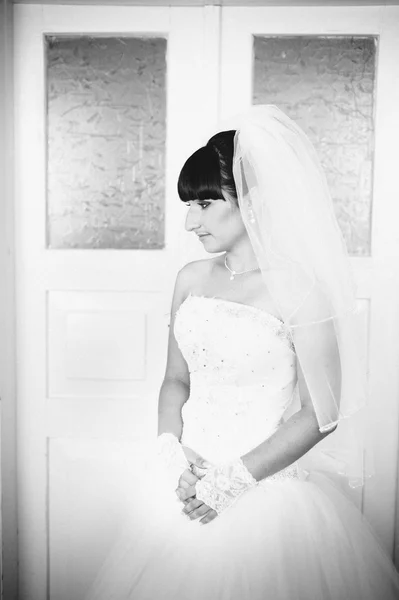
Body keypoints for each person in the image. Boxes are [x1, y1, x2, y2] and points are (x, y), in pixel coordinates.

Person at [85, 105, 399, 600]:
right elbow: (176, 380)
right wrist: (170, 451)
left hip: (265, 493)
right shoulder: (190, 278)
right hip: (182, 484)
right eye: (189, 205)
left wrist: (233, 480)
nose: (191, 221)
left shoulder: (300, 289)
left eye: (205, 204)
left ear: (252, 200)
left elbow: (323, 413)